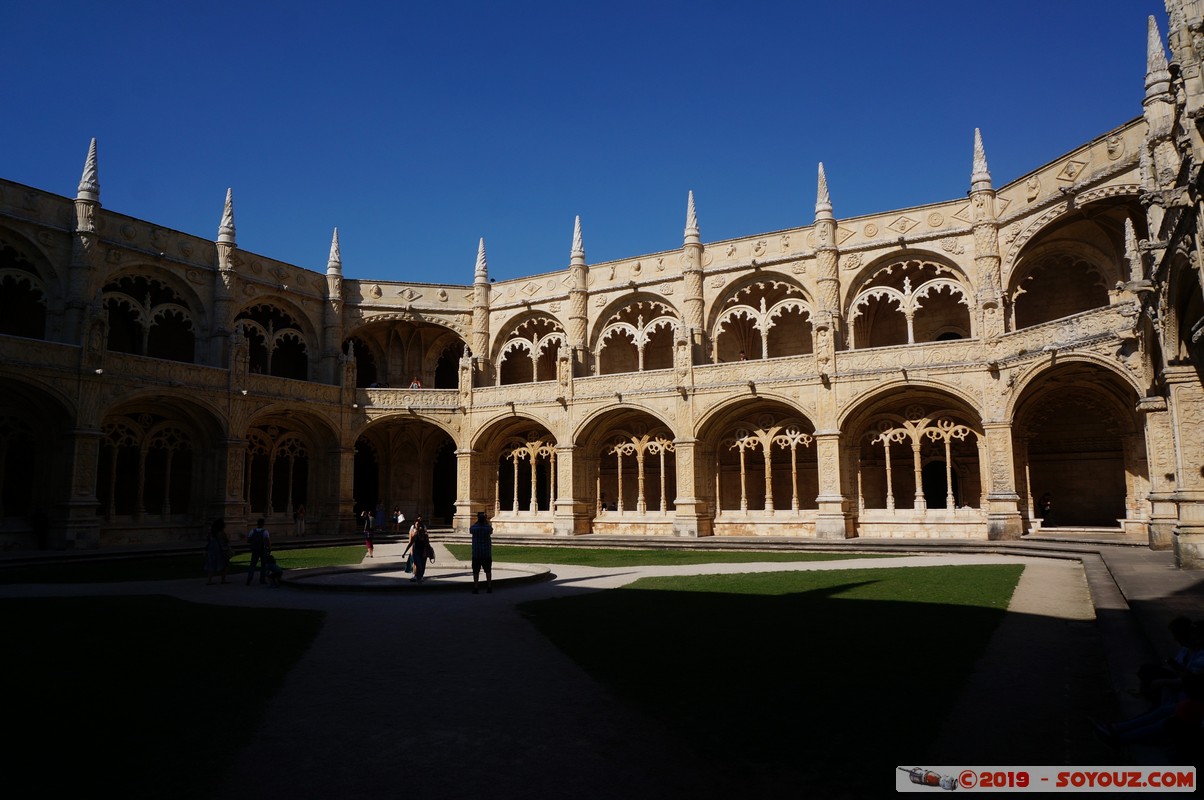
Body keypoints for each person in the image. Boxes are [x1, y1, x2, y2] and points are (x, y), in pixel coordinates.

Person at [469, 511, 493, 594]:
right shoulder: (488, 528)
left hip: (477, 553)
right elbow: (491, 530)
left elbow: (470, 530)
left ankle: (476, 587)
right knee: (488, 571)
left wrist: (477, 521)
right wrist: (485, 522)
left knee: (476, 571)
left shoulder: (474, 528)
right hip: (486, 553)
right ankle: (489, 587)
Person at [204, 518, 232, 585]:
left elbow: (207, 539)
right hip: (220, 551)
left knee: (211, 565)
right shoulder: (221, 533)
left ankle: (209, 580)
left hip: (211, 550)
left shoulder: (210, 532)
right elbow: (227, 540)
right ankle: (223, 580)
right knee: (224, 565)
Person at [245, 518, 270, 585]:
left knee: (252, 565)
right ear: (263, 524)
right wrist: (269, 549)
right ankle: (262, 580)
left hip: (255, 550)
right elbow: (268, 541)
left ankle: (249, 578)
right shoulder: (265, 532)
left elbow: (248, 540)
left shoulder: (252, 531)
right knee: (263, 565)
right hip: (262, 549)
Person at [408, 517, 431, 583]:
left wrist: (427, 552)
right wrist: (408, 551)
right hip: (416, 551)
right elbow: (410, 543)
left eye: (419, 525)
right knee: (417, 564)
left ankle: (420, 577)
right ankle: (416, 576)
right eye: (417, 525)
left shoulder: (425, 535)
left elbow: (427, 544)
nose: (418, 526)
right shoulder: (415, 534)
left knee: (422, 565)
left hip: (423, 552)